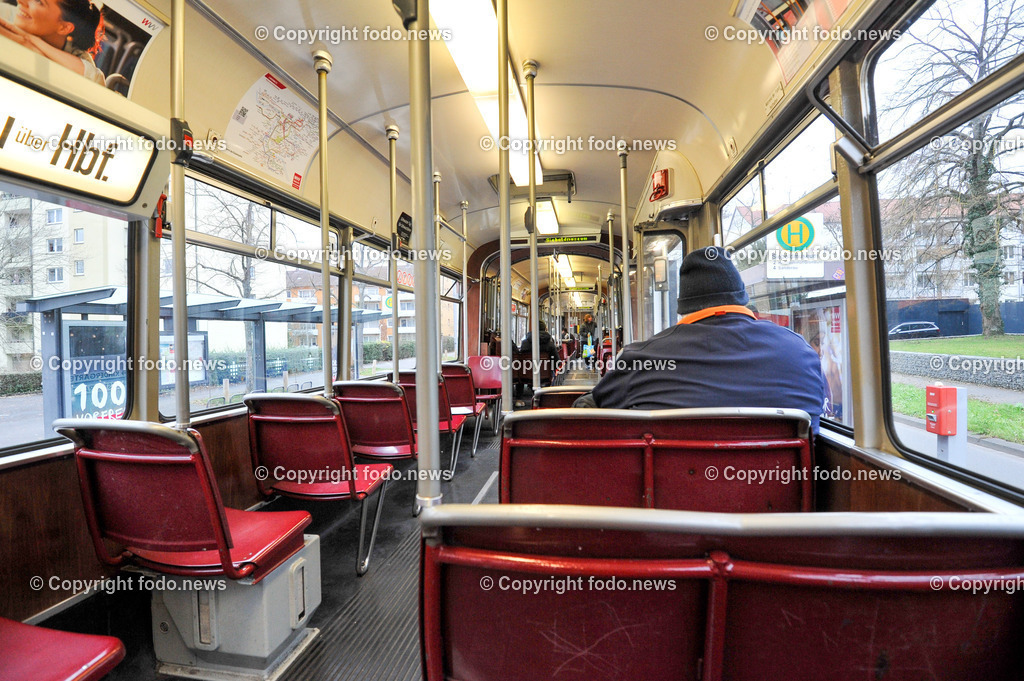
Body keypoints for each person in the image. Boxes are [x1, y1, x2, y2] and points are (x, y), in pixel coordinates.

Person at [576, 247, 827, 433]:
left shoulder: (641, 359)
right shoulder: (802, 354)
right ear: (742, 299)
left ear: (683, 307)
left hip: (670, 501)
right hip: (784, 500)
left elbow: (590, 409)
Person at [0, 0, 106, 85]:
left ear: (64, 27)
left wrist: (29, 41)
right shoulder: (6, 13)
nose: (21, 1)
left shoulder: (76, 56)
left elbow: (95, 79)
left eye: (38, 1)